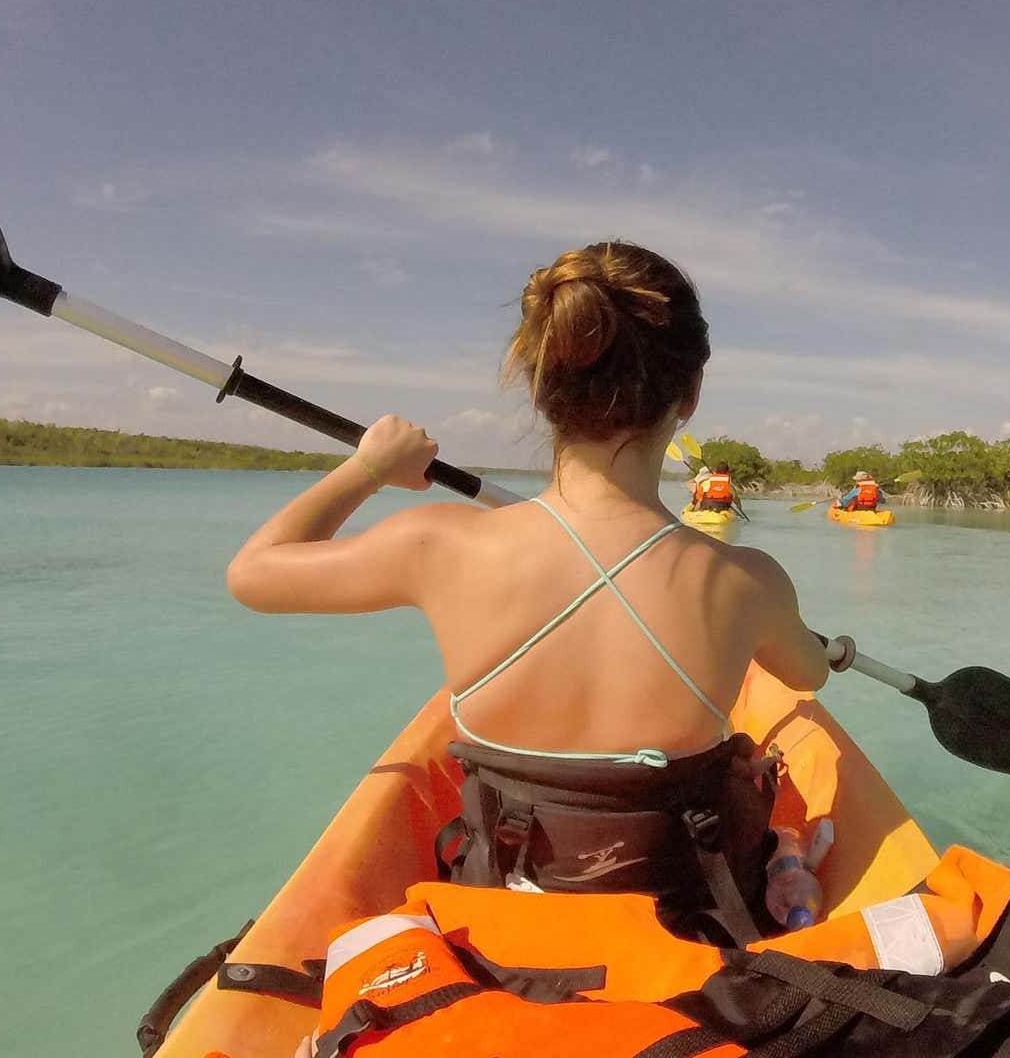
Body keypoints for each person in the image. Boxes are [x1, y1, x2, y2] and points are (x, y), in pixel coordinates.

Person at [226, 241, 829, 943]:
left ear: (542, 392)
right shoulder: (748, 580)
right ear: (689, 395)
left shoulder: (437, 545)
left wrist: (366, 470)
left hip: (499, 912)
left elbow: (254, 574)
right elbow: (808, 674)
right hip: (687, 925)